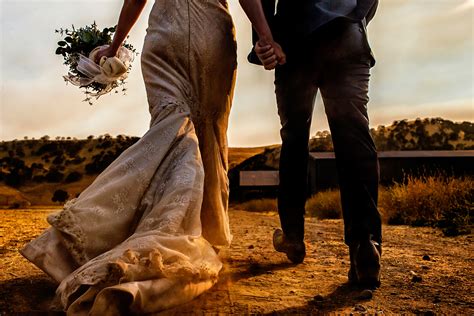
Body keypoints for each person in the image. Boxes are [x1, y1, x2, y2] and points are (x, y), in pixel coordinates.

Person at [20, 0, 258, 314]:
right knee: (204, 132)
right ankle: (190, 229)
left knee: (173, 128)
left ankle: (97, 229)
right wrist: (265, 36)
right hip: (211, 35)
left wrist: (114, 46)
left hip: (165, 34)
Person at [240, 0, 382, 289]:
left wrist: (265, 40)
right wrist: (353, 20)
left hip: (295, 42)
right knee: (354, 138)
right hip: (348, 39)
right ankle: (365, 244)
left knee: (294, 140)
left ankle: (292, 237)